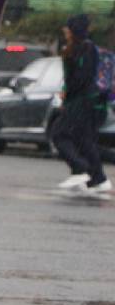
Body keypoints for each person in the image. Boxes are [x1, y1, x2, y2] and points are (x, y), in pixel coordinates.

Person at [52, 14, 110, 194]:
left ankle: (80, 169)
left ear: (74, 30)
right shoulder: (80, 48)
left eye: (67, 27)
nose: (64, 30)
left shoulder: (82, 49)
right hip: (86, 100)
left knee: (59, 133)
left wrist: (67, 93)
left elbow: (80, 78)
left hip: (81, 101)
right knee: (84, 140)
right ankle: (98, 178)